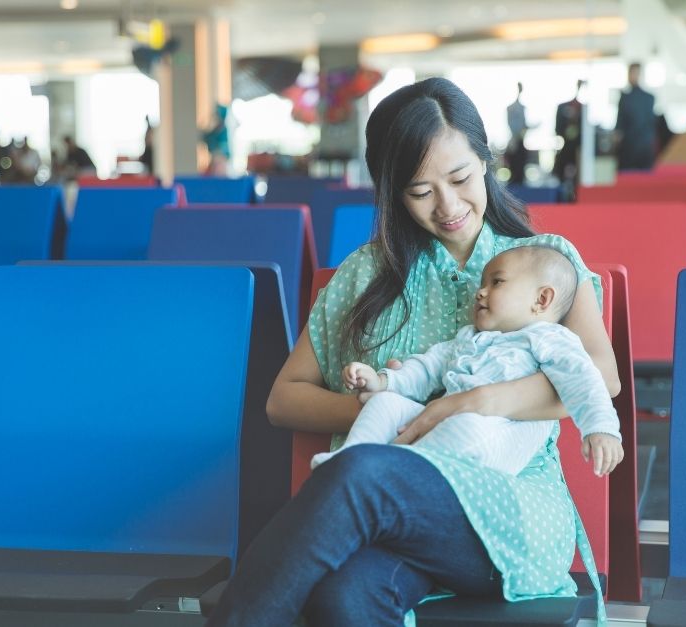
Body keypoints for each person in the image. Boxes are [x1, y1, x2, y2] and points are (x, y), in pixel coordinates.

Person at [206, 77, 622, 627]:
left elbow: (602, 375)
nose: (448, 206)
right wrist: (394, 406)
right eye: (421, 191)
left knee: (362, 471)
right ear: (390, 191)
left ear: (485, 160)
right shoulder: (365, 274)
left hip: (508, 513)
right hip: (393, 517)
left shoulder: (540, 262)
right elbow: (283, 400)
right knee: (344, 597)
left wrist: (471, 403)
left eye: (460, 178)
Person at [312, 244, 622, 476]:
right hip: (445, 424)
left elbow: (584, 379)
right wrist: (384, 382)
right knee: (384, 405)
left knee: (467, 428)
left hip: (499, 434)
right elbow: (427, 367)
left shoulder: (550, 338)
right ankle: (349, 463)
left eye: (496, 283)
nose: (480, 293)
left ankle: (393, 476)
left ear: (541, 300)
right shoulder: (468, 337)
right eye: (482, 284)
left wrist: (601, 428)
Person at [615, 63, 656, 171]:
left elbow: (650, 123)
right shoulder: (625, 97)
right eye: (631, 73)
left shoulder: (648, 98)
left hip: (641, 146)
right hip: (630, 145)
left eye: (635, 73)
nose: (632, 76)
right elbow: (619, 123)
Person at [554, 80, 584, 194]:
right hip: (565, 146)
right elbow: (558, 128)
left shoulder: (582, 108)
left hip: (578, 149)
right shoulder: (563, 107)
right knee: (563, 170)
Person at [505, 82, 531, 184]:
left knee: (520, 164)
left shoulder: (522, 107)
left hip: (520, 141)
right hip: (515, 141)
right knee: (515, 164)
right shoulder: (511, 108)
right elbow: (512, 125)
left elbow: (524, 125)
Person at [201, 104, 230, 176]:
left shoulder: (223, 131)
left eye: (218, 115)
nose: (216, 117)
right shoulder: (214, 131)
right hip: (216, 157)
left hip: (220, 157)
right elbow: (205, 137)